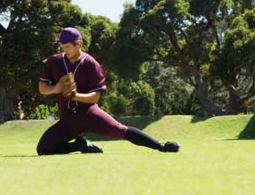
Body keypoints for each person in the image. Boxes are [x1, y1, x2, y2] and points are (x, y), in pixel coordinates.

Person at [36, 27, 180, 155]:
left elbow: (94, 98)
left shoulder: (90, 64)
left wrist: (74, 96)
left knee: (121, 130)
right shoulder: (54, 61)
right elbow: (42, 88)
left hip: (89, 114)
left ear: (78, 43)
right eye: (62, 46)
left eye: (67, 46)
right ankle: (79, 145)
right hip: (68, 118)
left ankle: (161, 146)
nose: (64, 50)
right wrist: (56, 88)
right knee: (43, 148)